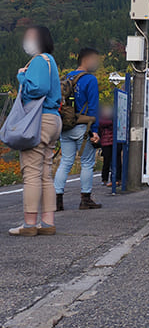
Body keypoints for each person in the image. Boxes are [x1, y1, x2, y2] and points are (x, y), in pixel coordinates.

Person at [9, 26, 62, 236]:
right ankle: (47, 222)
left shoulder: (39, 60)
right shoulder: (51, 61)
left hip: (38, 120)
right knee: (45, 174)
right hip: (53, 120)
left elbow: (38, 88)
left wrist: (22, 77)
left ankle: (29, 224)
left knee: (31, 172)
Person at [54, 47, 102, 211]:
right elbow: (94, 106)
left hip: (65, 126)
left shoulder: (66, 77)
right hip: (83, 126)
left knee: (65, 162)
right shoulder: (90, 79)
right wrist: (95, 130)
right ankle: (85, 199)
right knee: (87, 163)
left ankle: (57, 201)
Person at [97, 104, 121, 186]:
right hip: (111, 141)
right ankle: (115, 179)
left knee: (108, 161)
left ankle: (105, 179)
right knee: (113, 161)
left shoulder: (101, 120)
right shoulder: (113, 119)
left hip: (106, 142)